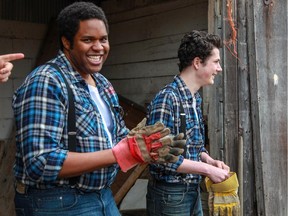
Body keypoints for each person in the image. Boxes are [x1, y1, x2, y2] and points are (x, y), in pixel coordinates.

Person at [12, 2, 185, 215]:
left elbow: (117, 138)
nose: (99, 47)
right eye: (87, 40)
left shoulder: (102, 83)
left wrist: (147, 147)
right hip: (58, 202)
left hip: (102, 196)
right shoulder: (47, 81)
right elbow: (40, 162)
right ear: (67, 42)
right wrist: (122, 152)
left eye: (103, 39)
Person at [146, 30, 230, 216]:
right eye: (216, 62)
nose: (219, 68)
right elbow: (159, 156)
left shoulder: (195, 98)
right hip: (170, 196)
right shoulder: (167, 98)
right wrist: (207, 170)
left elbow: (193, 146)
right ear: (197, 63)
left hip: (192, 192)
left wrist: (209, 161)